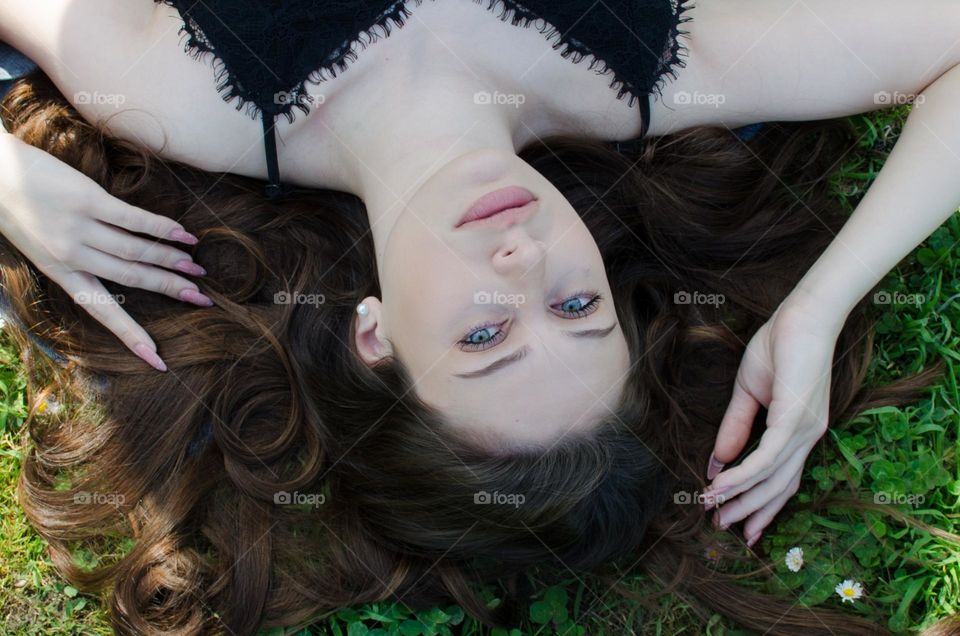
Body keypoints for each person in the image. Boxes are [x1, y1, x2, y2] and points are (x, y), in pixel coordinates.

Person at [1, 1, 960, 633]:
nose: (525, 260)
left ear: (374, 337)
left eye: (486, 336)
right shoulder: (658, 73)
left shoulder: (178, 98)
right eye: (579, 306)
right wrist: (821, 303)